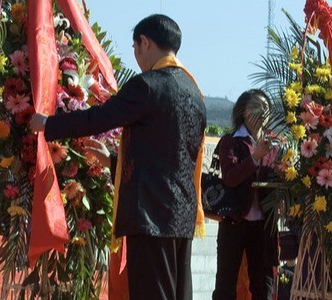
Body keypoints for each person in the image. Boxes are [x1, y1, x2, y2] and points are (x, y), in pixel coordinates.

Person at [30, 14, 206, 300]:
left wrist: (49, 124)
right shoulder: (195, 93)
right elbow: (168, 156)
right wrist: (113, 161)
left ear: (145, 43)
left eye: (135, 48)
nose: (136, 56)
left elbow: (100, 117)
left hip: (151, 216)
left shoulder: (148, 85)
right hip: (181, 216)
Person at [212, 89, 279, 300]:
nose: (263, 112)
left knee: (263, 284)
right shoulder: (230, 142)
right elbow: (230, 177)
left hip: (263, 226)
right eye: (257, 106)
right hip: (234, 223)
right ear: (243, 111)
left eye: (266, 108)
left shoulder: (274, 146)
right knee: (225, 285)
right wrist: (255, 158)